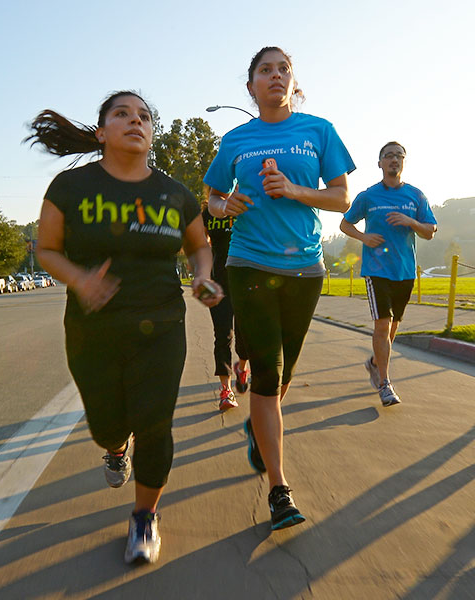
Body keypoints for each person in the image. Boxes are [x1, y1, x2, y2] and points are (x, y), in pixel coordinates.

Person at [27, 91, 222, 564]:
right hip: (92, 327)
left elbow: (200, 245)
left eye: (144, 116)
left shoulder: (173, 192)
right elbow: (47, 249)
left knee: (155, 425)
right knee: (107, 425)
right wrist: (79, 279)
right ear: (102, 132)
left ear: (151, 132)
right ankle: (115, 447)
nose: (135, 121)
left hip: (161, 324)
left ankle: (144, 516)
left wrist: (202, 275)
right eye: (122, 114)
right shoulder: (69, 187)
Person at [204, 47, 356, 530]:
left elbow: (341, 198)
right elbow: (210, 198)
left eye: (283, 69)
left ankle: (259, 426)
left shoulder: (319, 131)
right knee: (267, 377)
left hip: (305, 269)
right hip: (248, 265)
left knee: (284, 373)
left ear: (294, 83)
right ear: (250, 87)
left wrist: (292, 189)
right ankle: (279, 489)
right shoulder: (236, 139)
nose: (274, 76)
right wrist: (226, 206)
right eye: (264, 70)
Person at [339, 142, 437, 407]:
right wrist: (364, 237)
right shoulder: (368, 196)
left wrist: (412, 222)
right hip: (376, 269)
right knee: (382, 325)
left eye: (399, 156)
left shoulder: (416, 196)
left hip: (404, 270)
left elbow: (430, 230)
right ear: (379, 163)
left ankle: (374, 362)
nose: (394, 160)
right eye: (389, 156)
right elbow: (345, 223)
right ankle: (385, 383)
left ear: (403, 162)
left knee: (392, 329)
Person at [201, 194, 249, 411]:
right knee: (223, 335)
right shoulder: (207, 213)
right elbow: (202, 245)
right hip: (217, 283)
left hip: (246, 282)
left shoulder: (246, 206)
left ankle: (242, 366)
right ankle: (225, 390)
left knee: (245, 335)